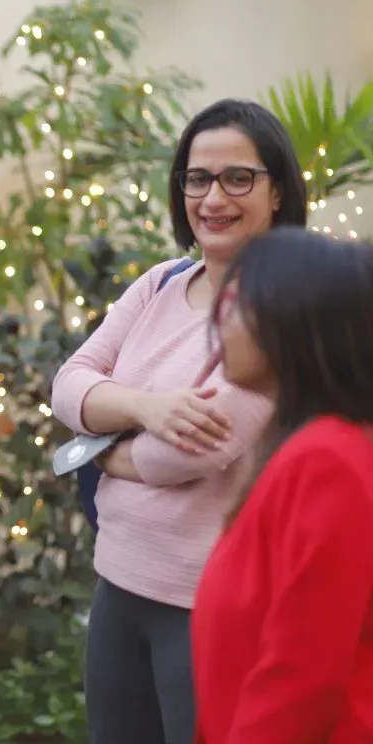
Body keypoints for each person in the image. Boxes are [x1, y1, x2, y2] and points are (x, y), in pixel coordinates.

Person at [50, 98, 308, 744]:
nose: (213, 198)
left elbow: (191, 452)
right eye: (198, 179)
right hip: (118, 585)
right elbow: (69, 384)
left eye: (238, 178)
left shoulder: (281, 310)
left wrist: (99, 447)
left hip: (207, 604)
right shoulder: (161, 284)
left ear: (277, 190)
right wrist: (147, 408)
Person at [192, 228, 373, 743]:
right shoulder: (298, 450)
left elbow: (302, 676)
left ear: (296, 321)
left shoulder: (327, 460)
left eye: (237, 306)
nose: (220, 321)